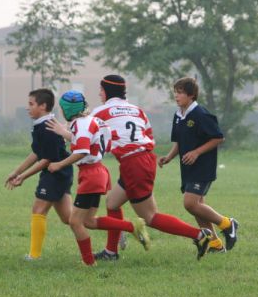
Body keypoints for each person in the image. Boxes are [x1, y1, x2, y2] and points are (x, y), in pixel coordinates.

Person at [87, 74, 222, 260]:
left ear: (107, 91)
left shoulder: (101, 111)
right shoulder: (137, 110)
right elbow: (149, 136)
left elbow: (83, 132)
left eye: (101, 90)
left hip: (133, 163)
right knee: (112, 202)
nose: (99, 93)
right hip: (144, 159)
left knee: (150, 217)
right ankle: (111, 252)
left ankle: (200, 235)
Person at [46, 90, 150, 265]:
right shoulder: (92, 121)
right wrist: (64, 132)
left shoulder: (81, 124)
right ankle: (131, 227)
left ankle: (88, 263)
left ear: (66, 110)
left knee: (75, 222)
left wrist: (59, 164)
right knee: (89, 221)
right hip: (98, 171)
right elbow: (89, 141)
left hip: (91, 174)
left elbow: (82, 150)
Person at [158, 77, 238, 252]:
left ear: (191, 95)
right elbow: (179, 141)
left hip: (203, 166)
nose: (176, 96)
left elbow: (218, 137)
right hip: (187, 167)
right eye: (175, 92)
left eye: (180, 93)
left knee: (190, 204)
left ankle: (227, 224)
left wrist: (196, 152)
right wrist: (169, 157)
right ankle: (215, 244)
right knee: (198, 207)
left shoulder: (200, 114)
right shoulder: (179, 115)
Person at [4, 88, 73, 261]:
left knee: (38, 209)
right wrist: (17, 171)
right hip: (58, 172)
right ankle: (114, 230)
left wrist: (23, 177)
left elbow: (47, 159)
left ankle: (34, 255)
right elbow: (37, 153)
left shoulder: (48, 126)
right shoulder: (42, 124)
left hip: (55, 173)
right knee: (70, 218)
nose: (27, 108)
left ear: (42, 106)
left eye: (31, 104)